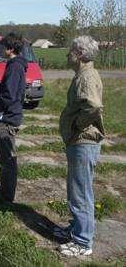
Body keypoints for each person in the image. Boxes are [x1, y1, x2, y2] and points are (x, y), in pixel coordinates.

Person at [56, 36, 104, 257]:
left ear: (81, 55)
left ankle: (83, 242)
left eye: (71, 51)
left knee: (81, 192)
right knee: (76, 189)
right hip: (79, 141)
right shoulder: (83, 75)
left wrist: (76, 124)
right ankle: (77, 229)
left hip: (83, 140)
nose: (68, 55)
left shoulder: (86, 77)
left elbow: (93, 107)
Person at [0, 32, 27, 202]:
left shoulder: (15, 67)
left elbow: (9, 96)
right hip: (7, 116)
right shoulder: (15, 65)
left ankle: (7, 197)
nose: (1, 49)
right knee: (5, 157)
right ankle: (5, 191)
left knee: (7, 159)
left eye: (3, 47)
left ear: (10, 49)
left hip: (7, 119)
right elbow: (6, 91)